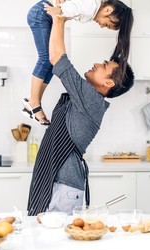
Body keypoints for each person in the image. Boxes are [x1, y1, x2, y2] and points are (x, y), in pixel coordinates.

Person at [27, 12, 134, 216]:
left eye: (103, 66)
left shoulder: (91, 100)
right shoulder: (86, 98)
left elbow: (58, 59)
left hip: (62, 186)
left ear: (108, 83)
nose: (96, 64)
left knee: (54, 242)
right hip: (57, 182)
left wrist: (59, 18)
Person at [23, 0, 133, 125]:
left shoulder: (91, 102)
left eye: (106, 26)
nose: (102, 26)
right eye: (107, 24)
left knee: (49, 63)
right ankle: (34, 102)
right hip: (41, 14)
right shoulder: (91, 6)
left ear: (109, 83)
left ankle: (34, 100)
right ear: (108, 10)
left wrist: (59, 13)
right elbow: (71, 7)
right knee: (45, 59)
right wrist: (58, 10)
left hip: (45, 15)